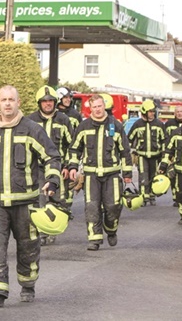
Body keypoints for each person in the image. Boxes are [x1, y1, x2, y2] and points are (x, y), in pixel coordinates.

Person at [0, 85, 61, 307]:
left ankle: (28, 284)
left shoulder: (32, 129)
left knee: (28, 246)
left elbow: (52, 157)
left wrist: (52, 180)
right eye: (4, 100)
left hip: (26, 202)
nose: (8, 103)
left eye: (12, 99)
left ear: (18, 102)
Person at [68, 95, 132, 251]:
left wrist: (127, 174)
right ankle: (94, 239)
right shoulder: (84, 127)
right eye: (94, 107)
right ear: (90, 108)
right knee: (92, 206)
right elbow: (74, 149)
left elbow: (125, 151)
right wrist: (73, 167)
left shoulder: (115, 126)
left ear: (104, 106)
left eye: (99, 106)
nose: (97, 109)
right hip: (91, 176)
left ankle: (111, 229)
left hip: (112, 175)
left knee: (114, 206)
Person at [27, 85, 74, 245]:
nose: (48, 104)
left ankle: (53, 228)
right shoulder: (31, 120)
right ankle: (41, 232)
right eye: (44, 101)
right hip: (37, 168)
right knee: (39, 200)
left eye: (51, 101)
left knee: (57, 200)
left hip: (58, 168)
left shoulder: (63, 120)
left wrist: (68, 166)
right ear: (39, 103)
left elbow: (72, 145)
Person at [127, 99, 166, 206]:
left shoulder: (159, 124)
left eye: (153, 111)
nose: (152, 113)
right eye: (150, 111)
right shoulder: (137, 124)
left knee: (153, 176)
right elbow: (129, 139)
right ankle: (144, 197)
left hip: (155, 156)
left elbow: (164, 140)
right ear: (144, 112)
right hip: (142, 155)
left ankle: (152, 195)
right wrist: (130, 153)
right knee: (143, 176)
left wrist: (164, 155)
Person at [159, 114, 182, 224]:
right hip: (179, 170)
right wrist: (163, 166)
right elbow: (168, 151)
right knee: (179, 194)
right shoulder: (176, 133)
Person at [56, 87, 82, 207]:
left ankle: (66, 208)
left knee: (68, 186)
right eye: (65, 97)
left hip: (69, 154)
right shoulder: (53, 113)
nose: (68, 100)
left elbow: (80, 134)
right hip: (55, 154)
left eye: (69, 97)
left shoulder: (75, 115)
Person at [164, 105, 182, 206]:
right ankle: (175, 197)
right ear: (175, 113)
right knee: (173, 177)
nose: (179, 113)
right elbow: (166, 139)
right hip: (173, 156)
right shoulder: (169, 124)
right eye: (178, 112)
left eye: (181, 111)